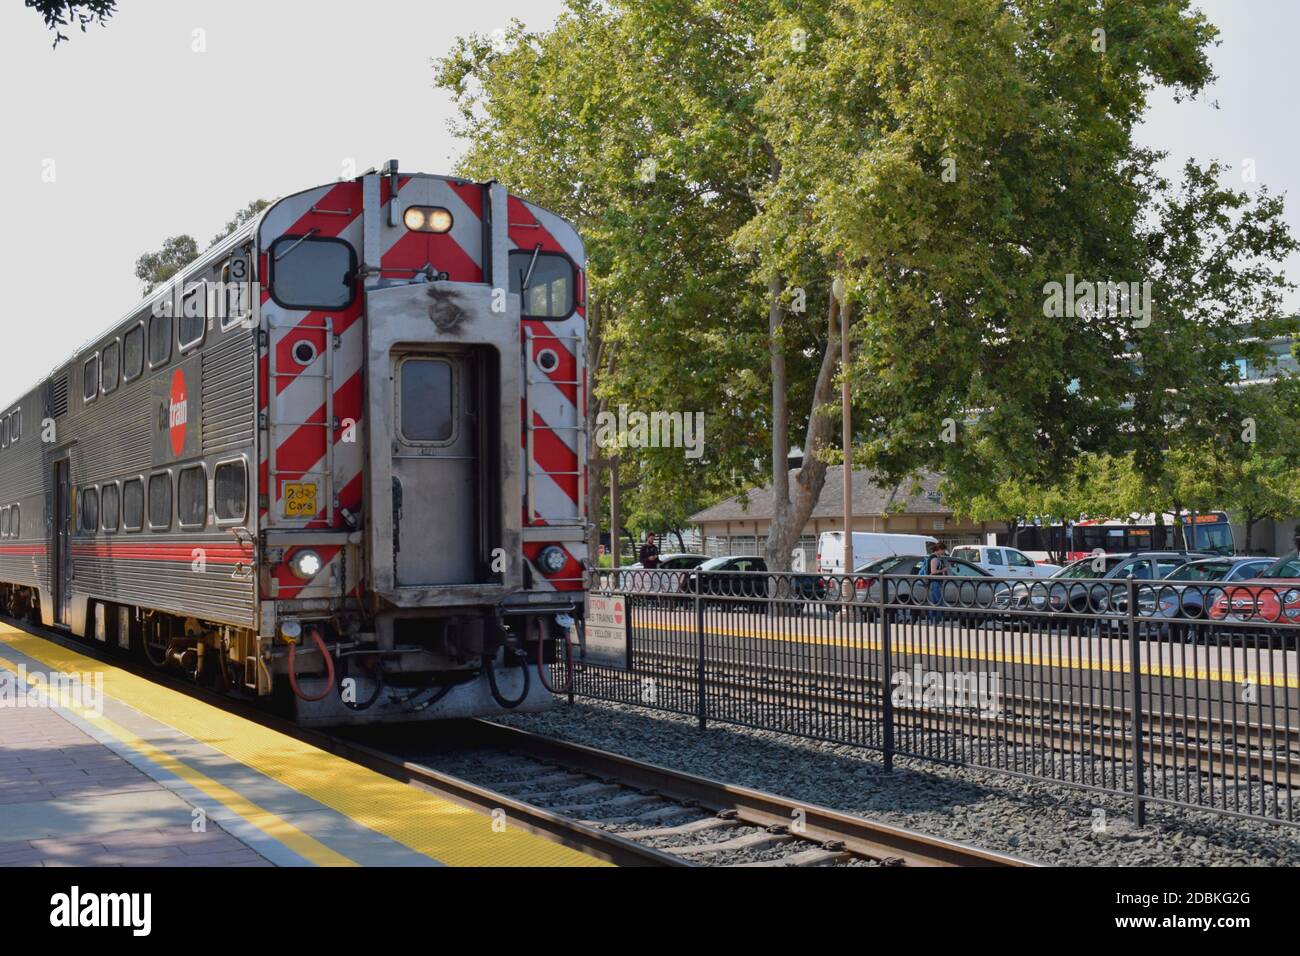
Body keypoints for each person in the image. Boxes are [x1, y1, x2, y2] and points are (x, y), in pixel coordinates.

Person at [925, 541, 949, 624]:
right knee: (938, 602)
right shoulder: (934, 558)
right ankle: (936, 621)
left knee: (934, 603)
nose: (943, 552)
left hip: (933, 583)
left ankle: (933, 622)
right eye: (943, 550)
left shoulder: (934, 557)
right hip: (934, 582)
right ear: (939, 549)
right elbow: (933, 571)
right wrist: (943, 570)